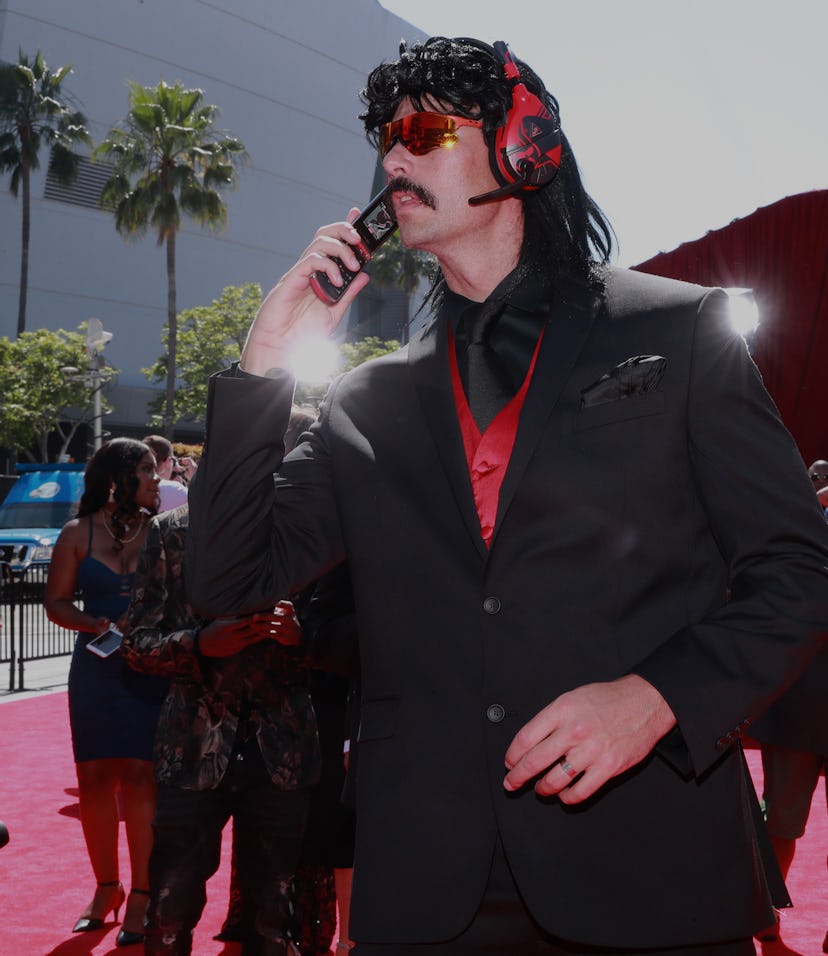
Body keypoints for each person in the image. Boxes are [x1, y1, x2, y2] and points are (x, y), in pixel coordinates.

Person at [185, 36, 828, 956]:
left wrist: (656, 697)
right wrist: (263, 364)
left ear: (525, 147)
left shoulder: (682, 331)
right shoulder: (370, 399)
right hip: (426, 892)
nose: (394, 156)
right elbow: (226, 579)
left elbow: (800, 571)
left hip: (654, 871)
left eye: (424, 131)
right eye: (385, 137)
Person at [121, 414, 322, 955]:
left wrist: (304, 637)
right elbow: (136, 643)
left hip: (283, 751)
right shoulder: (173, 532)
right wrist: (198, 644)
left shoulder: (310, 540)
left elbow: (357, 640)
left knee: (274, 920)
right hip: (191, 748)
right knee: (170, 911)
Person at [45, 437, 168, 947]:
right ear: (119, 477)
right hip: (96, 669)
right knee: (94, 780)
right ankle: (107, 888)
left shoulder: (164, 532)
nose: (157, 478)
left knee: (141, 778)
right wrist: (93, 624)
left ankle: (141, 894)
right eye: (146, 470)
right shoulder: (75, 533)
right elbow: (55, 602)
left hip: (150, 667)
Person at [142, 435, 189, 512]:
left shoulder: (125, 486)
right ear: (168, 461)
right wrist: (197, 479)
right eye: (173, 461)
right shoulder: (176, 490)